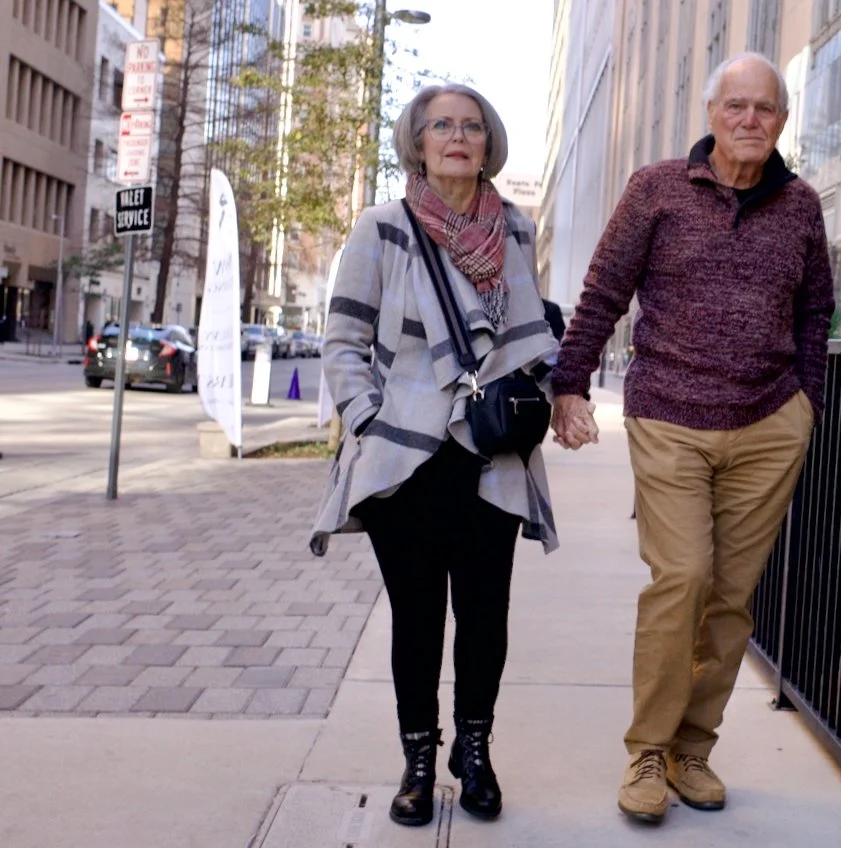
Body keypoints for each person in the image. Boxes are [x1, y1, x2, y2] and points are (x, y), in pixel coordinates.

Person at [550, 52, 834, 823]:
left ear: (782, 120)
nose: (749, 119)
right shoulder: (656, 189)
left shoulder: (801, 206)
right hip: (671, 413)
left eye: (765, 108)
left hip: (769, 422)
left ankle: (691, 748)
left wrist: (806, 404)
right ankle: (647, 749)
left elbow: (816, 311)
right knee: (682, 577)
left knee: (731, 599)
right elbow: (604, 291)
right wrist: (570, 383)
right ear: (710, 113)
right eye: (735, 105)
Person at [309, 83, 559, 828]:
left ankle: (474, 753)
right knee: (416, 621)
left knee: (485, 619)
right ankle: (418, 759)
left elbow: (530, 335)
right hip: (405, 460)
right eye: (442, 125)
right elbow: (343, 340)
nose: (457, 136)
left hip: (490, 455)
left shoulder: (515, 229)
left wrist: (547, 394)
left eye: (471, 126)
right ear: (417, 143)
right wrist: (369, 419)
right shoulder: (382, 228)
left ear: (489, 143)